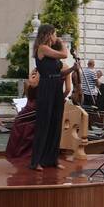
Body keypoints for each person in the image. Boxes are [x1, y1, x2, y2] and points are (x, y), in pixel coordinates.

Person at [29, 24, 76, 170]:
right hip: (46, 87)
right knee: (44, 124)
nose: (57, 37)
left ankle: (51, 159)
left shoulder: (51, 52)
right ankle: (36, 161)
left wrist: (72, 69)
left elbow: (58, 73)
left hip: (56, 87)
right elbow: (64, 54)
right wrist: (61, 43)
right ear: (49, 34)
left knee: (56, 124)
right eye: (55, 34)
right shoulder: (42, 48)